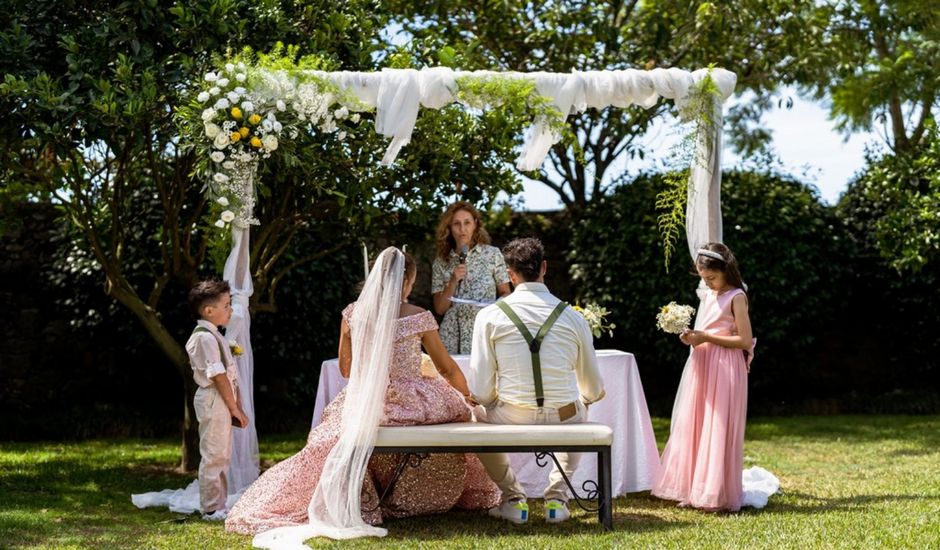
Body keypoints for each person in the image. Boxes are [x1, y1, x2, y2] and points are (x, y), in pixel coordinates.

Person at [225, 248, 499, 544]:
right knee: (458, 414)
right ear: (407, 281)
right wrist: (466, 394)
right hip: (411, 403)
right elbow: (446, 369)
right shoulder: (418, 317)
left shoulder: (353, 314)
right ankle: (417, 495)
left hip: (368, 401)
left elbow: (345, 368)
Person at [468, 237, 606, 524]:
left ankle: (513, 499)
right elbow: (593, 387)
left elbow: (480, 390)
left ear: (510, 274)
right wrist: (583, 400)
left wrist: (493, 404)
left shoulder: (490, 316)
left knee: (475, 417)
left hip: (511, 415)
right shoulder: (573, 318)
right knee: (581, 409)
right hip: (564, 416)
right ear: (544, 267)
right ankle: (557, 500)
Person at [651, 242, 754, 512]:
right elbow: (705, 329)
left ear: (725, 270)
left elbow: (744, 340)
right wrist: (692, 337)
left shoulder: (736, 296)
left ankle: (716, 491)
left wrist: (706, 337)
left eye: (712, 278)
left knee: (717, 425)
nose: (708, 284)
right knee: (696, 422)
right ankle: (692, 486)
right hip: (704, 363)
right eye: (703, 278)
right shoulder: (708, 295)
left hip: (726, 365)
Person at [186, 279, 250, 521]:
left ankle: (218, 504)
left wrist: (236, 404)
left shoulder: (214, 335)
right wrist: (234, 408)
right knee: (214, 453)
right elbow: (218, 375)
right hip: (214, 398)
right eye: (226, 305)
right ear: (208, 311)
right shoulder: (203, 338)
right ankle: (211, 507)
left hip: (222, 398)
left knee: (222, 453)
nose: (230, 310)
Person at [432, 201, 511, 355]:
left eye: (467, 222)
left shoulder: (492, 254)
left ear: (475, 224)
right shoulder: (441, 262)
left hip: (485, 332)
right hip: (451, 338)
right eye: (456, 224)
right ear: (449, 227)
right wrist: (452, 281)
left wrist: (491, 312)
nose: (462, 229)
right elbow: (440, 309)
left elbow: (505, 294)